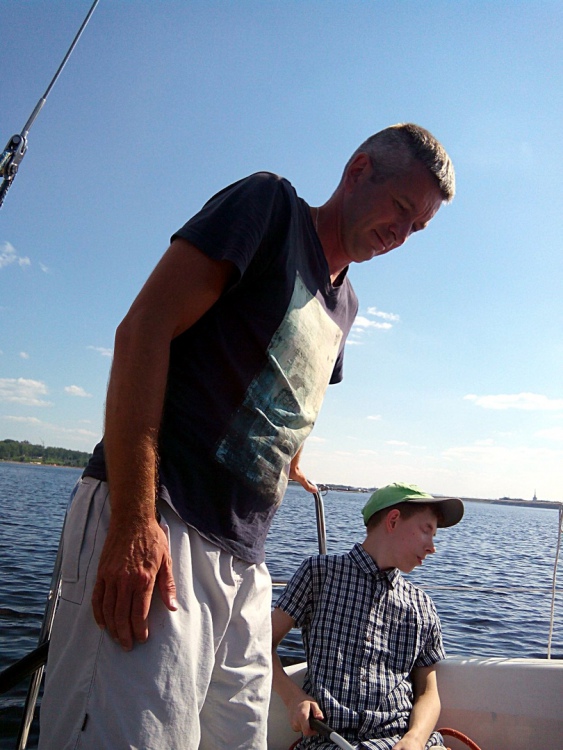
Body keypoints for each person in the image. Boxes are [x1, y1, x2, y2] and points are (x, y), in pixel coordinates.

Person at [39, 125, 455, 750]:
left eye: (417, 228)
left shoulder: (346, 307)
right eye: (401, 208)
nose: (402, 233)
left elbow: (288, 383)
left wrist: (290, 456)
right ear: (358, 171)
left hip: (245, 561)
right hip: (165, 519)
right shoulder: (269, 208)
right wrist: (133, 520)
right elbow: (143, 330)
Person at [272, 483, 464, 750]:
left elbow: (427, 691)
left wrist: (415, 739)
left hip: (405, 741)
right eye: (427, 530)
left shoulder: (422, 605)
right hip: (331, 741)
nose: (432, 547)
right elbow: (261, 644)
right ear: (393, 520)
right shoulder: (319, 574)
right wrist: (293, 698)